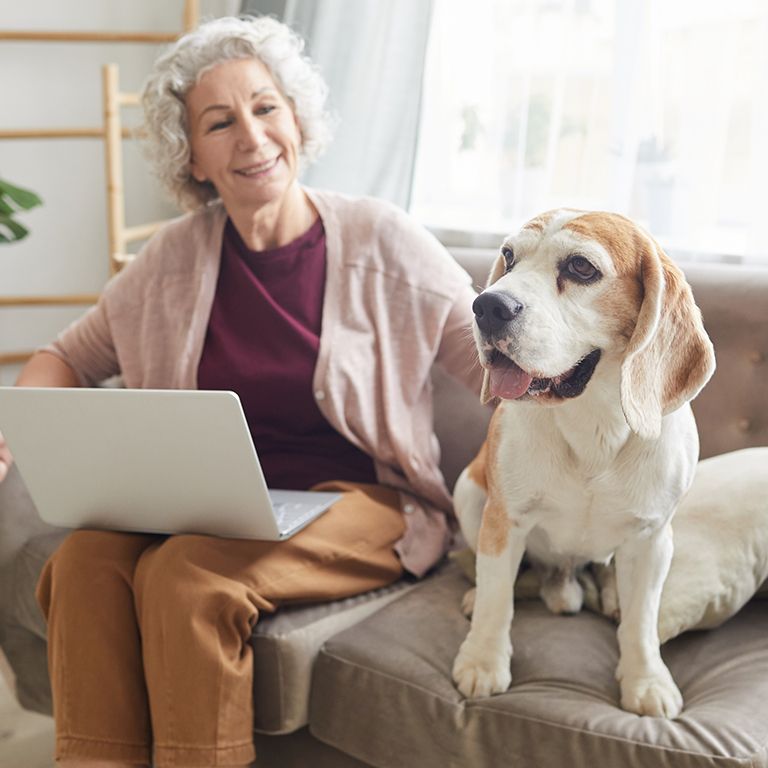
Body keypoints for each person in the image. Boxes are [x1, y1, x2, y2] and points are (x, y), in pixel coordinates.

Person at [4, 15, 481, 768]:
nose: (252, 138)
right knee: (85, 561)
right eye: (219, 122)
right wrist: (11, 433)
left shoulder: (382, 238)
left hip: (365, 503)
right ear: (191, 156)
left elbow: (490, 362)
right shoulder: (172, 260)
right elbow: (67, 355)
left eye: (266, 107)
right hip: (209, 506)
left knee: (188, 578)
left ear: (297, 118)